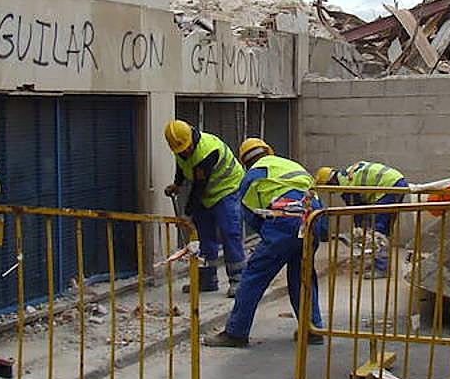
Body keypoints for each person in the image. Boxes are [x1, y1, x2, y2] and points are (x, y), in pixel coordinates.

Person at [203, 137, 325, 348]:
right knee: (302, 276)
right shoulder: (290, 164)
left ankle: (236, 332)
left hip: (284, 223)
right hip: (312, 220)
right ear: (269, 151)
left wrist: (271, 242)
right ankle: (312, 328)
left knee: (253, 277)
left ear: (244, 162)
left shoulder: (251, 177)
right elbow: (315, 196)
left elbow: (253, 218)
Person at [162, 120, 246, 297]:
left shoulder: (208, 151)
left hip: (227, 189)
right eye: (180, 150)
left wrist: (187, 213)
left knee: (229, 232)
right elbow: (183, 165)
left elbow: (199, 186)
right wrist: (177, 184)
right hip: (207, 194)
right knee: (204, 237)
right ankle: (207, 280)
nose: (185, 151)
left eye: (186, 148)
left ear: (192, 138)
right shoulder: (181, 148)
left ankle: (238, 280)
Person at [313, 161, 408, 279]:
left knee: (376, 230)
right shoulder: (348, 175)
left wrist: (359, 230)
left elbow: (357, 212)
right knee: (383, 228)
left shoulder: (346, 186)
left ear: (330, 182)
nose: (331, 191)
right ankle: (376, 262)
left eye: (328, 187)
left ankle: (381, 268)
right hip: (397, 183)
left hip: (389, 187)